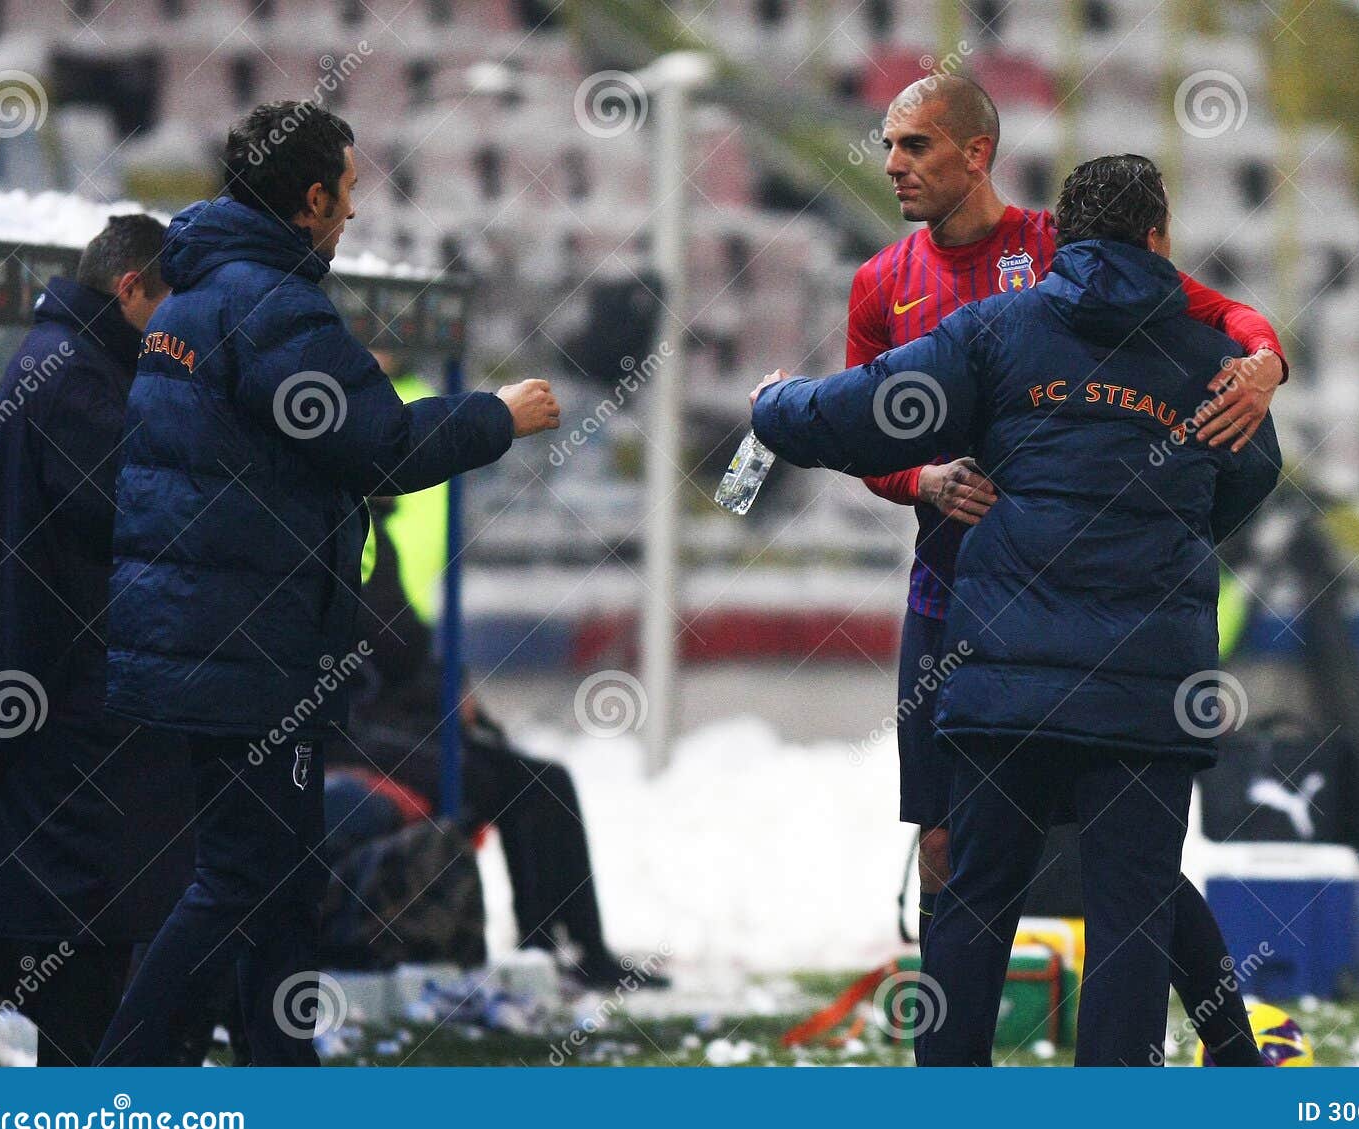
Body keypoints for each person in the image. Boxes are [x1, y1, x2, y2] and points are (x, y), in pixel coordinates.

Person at [751, 154, 1283, 1066]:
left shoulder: (997, 330)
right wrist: (1163, 528)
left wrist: (774, 407)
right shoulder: (1217, 365)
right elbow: (1252, 475)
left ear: (1064, 238)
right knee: (1131, 917)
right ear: (1160, 239)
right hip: (1147, 699)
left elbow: (856, 412)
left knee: (973, 906)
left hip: (1004, 687)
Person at [94, 101, 560, 1067]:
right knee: (238, 883)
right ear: (310, 199)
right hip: (247, 654)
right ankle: (116, 1079)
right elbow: (379, 444)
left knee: (272, 887)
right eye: (347, 192)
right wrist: (497, 417)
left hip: (205, 646)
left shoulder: (192, 295)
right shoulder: (272, 305)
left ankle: (281, 1081)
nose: (352, 214)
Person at [0, 217, 195, 1065]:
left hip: (71, 738)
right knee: (86, 1014)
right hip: (75, 745)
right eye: (175, 308)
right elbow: (144, 514)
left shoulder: (60, 364)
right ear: (130, 289)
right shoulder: (76, 382)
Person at [332, 487, 660, 989]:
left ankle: (570, 947)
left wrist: (451, 688)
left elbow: (399, 651)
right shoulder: (346, 535)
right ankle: (555, 948)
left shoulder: (370, 532)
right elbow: (385, 657)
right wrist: (440, 692)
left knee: (543, 781)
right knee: (526, 787)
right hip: (354, 732)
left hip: (387, 722)